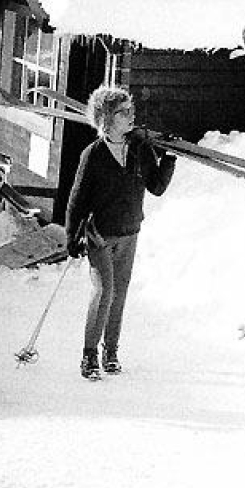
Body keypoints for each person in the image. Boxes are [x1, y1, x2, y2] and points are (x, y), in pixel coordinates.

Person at [65, 85, 176, 380]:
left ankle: (110, 351)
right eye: (123, 112)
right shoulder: (93, 154)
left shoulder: (139, 149)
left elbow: (157, 187)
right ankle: (89, 355)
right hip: (100, 234)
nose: (131, 116)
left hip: (130, 232)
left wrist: (167, 159)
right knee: (104, 291)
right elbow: (77, 198)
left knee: (120, 294)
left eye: (131, 110)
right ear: (106, 119)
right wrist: (71, 235)